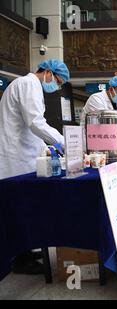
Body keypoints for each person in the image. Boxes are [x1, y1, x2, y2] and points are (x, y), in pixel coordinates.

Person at [0, 59, 70, 274]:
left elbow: (30, 128)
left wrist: (46, 147)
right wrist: (64, 141)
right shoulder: (28, 84)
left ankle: (26, 250)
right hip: (15, 159)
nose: (56, 87)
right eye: (57, 82)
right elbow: (35, 122)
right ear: (47, 72)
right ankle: (21, 259)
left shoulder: (29, 86)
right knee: (19, 209)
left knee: (25, 207)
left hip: (24, 155)